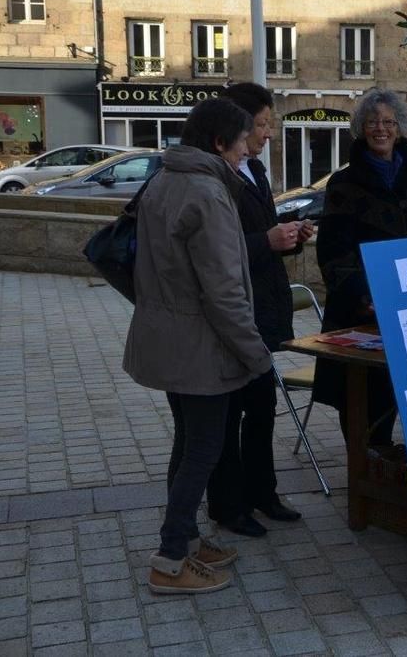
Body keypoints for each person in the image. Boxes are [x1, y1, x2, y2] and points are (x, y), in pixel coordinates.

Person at [124, 98, 272, 594]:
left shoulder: (165, 178)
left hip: (171, 338)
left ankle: (185, 540)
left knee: (189, 443)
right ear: (218, 142)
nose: (246, 149)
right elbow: (224, 290)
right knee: (204, 447)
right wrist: (255, 354)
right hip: (201, 345)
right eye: (242, 140)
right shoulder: (207, 193)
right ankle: (169, 560)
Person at [206, 83, 315, 538]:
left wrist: (289, 236)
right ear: (240, 126)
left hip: (262, 308)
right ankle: (228, 505)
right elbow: (215, 251)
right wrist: (266, 241)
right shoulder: (217, 177)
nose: (269, 133)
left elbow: (261, 236)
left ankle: (262, 492)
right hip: (232, 314)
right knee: (230, 414)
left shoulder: (255, 170)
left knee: (263, 406)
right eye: (265, 123)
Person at [311, 88, 407, 448]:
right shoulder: (344, 183)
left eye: (388, 122)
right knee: (357, 393)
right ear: (361, 129)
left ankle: (383, 459)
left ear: (400, 127)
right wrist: (361, 294)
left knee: (398, 386)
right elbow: (333, 251)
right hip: (359, 307)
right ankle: (362, 464)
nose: (381, 129)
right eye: (373, 122)